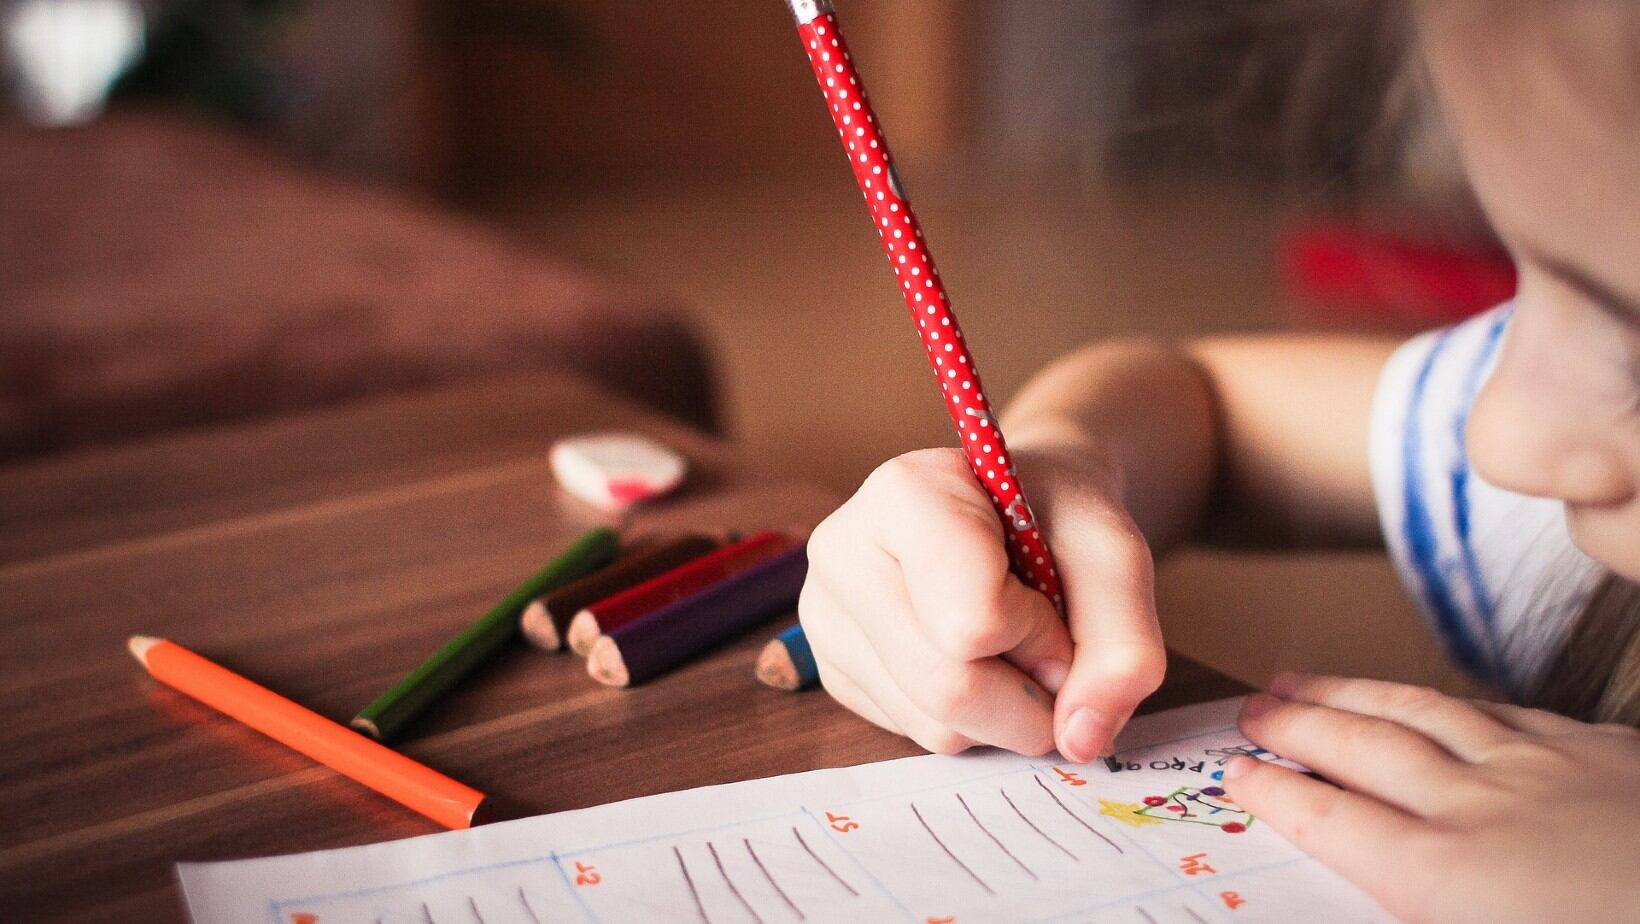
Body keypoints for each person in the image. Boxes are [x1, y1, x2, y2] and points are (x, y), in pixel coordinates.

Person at [796, 1, 1639, 919]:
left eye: (1632, 349)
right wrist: (1067, 469)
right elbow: (1205, 404)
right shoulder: (1559, 456)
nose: (1494, 436)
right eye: (1519, 286)